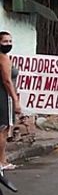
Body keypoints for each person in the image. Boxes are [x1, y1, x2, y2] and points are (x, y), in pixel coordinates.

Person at [0, 31, 20, 169]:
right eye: (5, 41)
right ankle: (1, 162)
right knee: (3, 129)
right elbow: (7, 81)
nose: (8, 44)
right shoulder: (4, 58)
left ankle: (3, 160)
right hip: (4, 96)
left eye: (10, 41)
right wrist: (15, 100)